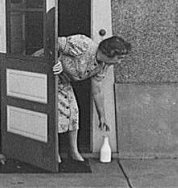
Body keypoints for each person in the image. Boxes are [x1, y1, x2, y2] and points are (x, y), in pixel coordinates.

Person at [51, 34, 132, 163]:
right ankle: (52, 152)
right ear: (110, 53)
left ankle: (73, 151)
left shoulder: (103, 66)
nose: (119, 62)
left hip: (62, 80)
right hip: (45, 71)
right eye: (119, 58)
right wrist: (55, 61)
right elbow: (53, 42)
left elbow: (97, 91)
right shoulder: (84, 44)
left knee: (72, 112)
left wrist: (102, 116)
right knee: (55, 113)